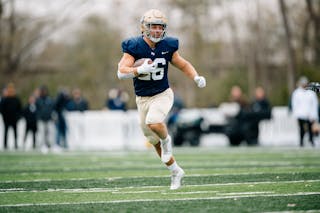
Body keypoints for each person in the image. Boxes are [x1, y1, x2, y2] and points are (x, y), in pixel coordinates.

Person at [117, 9, 206, 190]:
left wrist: (195, 76)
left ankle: (167, 141)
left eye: (160, 27)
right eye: (153, 27)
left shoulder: (168, 45)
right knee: (152, 139)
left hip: (162, 94)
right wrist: (138, 70)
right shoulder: (134, 46)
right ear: (144, 28)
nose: (157, 31)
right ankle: (175, 171)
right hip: (142, 99)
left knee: (154, 122)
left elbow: (182, 63)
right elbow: (120, 72)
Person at [291, 76, 319, 147]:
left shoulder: (311, 92)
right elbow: (294, 105)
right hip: (300, 114)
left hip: (310, 114)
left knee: (310, 129)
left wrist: (314, 115)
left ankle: (311, 141)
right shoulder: (296, 93)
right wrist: (296, 114)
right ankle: (301, 142)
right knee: (301, 129)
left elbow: (314, 104)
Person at [0, 83, 22, 150]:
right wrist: (4, 116)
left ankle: (16, 144)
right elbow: (1, 109)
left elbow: (19, 108)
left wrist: (18, 117)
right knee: (6, 132)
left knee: (15, 132)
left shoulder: (16, 99)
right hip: (7, 119)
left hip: (14, 119)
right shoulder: (4, 99)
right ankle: (5, 145)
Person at [36, 85, 54, 151]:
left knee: (50, 133)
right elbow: (37, 110)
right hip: (41, 119)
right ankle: (42, 145)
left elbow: (52, 108)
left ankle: (50, 145)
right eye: (43, 91)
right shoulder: (38, 99)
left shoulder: (49, 99)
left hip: (49, 119)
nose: (44, 92)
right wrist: (39, 117)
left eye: (45, 91)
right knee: (41, 133)